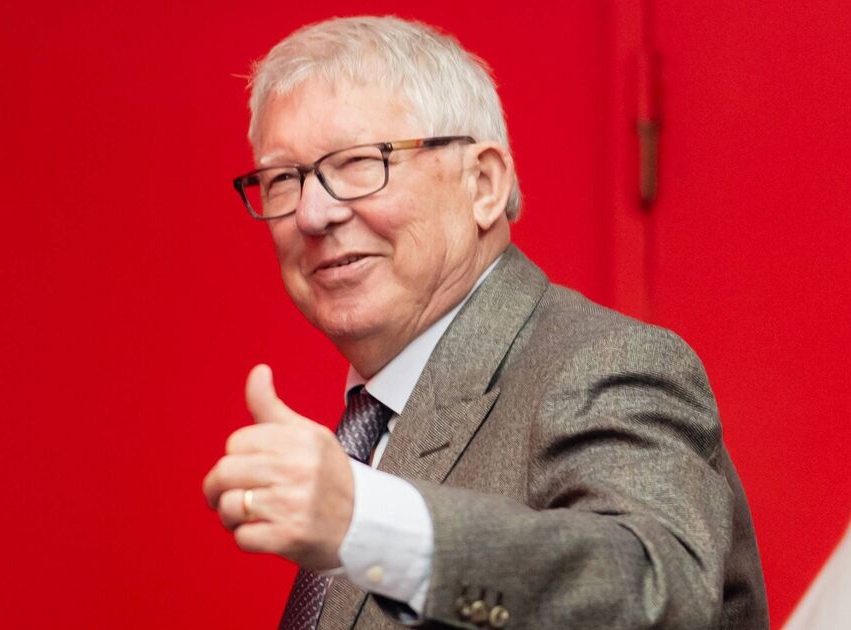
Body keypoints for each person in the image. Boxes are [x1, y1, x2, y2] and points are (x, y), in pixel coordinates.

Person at [202, 15, 768, 630]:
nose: (313, 215)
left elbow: (658, 594)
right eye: (283, 179)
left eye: (361, 162)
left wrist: (364, 518)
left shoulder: (604, 365)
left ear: (484, 184)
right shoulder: (373, 422)